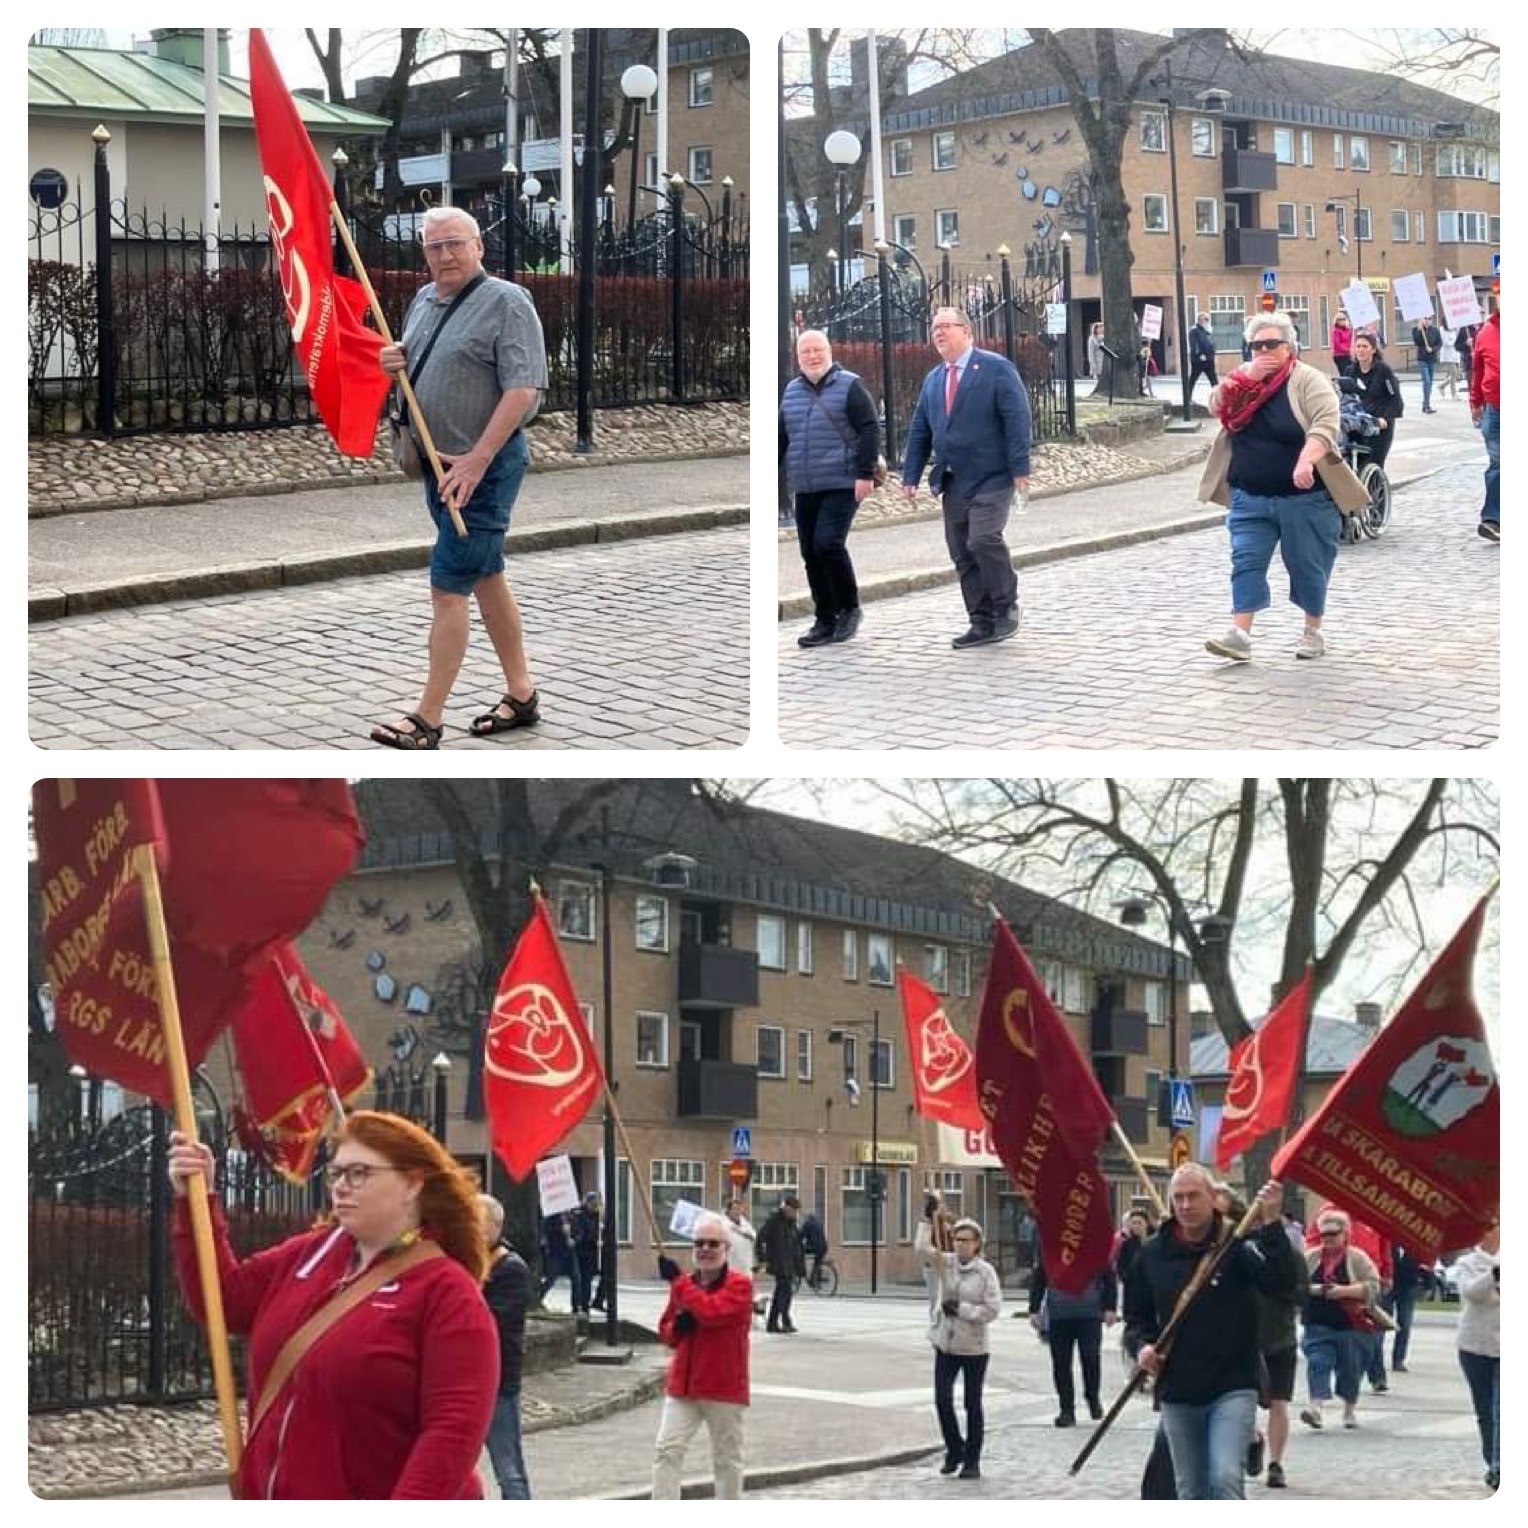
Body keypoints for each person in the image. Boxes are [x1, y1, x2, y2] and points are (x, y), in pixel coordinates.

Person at [167, 1111, 497, 1498]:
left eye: (359, 1173)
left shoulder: (447, 1292)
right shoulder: (309, 1252)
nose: (341, 1186)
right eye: (337, 1174)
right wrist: (196, 1201)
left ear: (412, 1184)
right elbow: (223, 1299)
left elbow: (452, 1432)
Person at [371, 206, 548, 749]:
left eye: (455, 244)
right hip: (437, 467)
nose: (445, 255)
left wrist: (476, 460)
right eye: (434, 246)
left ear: (479, 247)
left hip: (482, 473)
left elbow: (524, 391)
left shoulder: (507, 302)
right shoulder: (424, 300)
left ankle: (428, 717)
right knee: (487, 577)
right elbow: (425, 361)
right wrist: (394, 359)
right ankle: (522, 694)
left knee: (448, 588)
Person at [1199, 310, 1369, 664]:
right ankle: (1240, 634)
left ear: (1289, 347)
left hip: (1304, 498)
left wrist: (1307, 460)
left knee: (1308, 565)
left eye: (1271, 344)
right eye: (1256, 345)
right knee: (1245, 560)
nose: (1263, 351)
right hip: (1249, 493)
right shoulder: (1243, 379)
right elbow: (1215, 404)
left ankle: (1312, 630)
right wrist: (1240, 379)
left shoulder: (1309, 380)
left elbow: (1325, 425)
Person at [1123, 1164, 1298, 1500]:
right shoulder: (1152, 1253)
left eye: (1194, 1196)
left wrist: (1272, 1222)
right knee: (1190, 1488)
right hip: (1178, 1387)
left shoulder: (1235, 1245)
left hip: (1232, 1384)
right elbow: (1136, 1317)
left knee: (1224, 1476)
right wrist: (1143, 1347)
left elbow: (1282, 1285)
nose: (1186, 1205)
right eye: (1179, 1198)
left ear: (1213, 1199)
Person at [901, 306, 1032, 649]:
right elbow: (920, 430)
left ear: (967, 332)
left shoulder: (995, 369)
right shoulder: (935, 378)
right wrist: (911, 474)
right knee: (961, 551)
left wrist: (1020, 468)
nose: (939, 333)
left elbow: (1017, 418)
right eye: (934, 328)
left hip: (992, 475)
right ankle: (980, 619)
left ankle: (1006, 606)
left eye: (946, 326)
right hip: (953, 479)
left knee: (983, 539)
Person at [778, 329, 879, 647]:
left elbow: (869, 428)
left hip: (842, 480)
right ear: (797, 356)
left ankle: (849, 609)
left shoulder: (850, 385)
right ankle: (824, 617)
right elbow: (781, 436)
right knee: (809, 550)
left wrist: (864, 474)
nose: (812, 356)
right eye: (805, 351)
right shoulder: (792, 391)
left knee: (828, 543)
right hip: (806, 485)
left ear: (830, 351)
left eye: (818, 350)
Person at [651, 1212, 753, 1499]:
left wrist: (679, 1283)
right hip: (683, 1386)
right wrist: (677, 1328)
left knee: (726, 1459)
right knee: (666, 1450)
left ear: (726, 1249)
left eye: (713, 1244)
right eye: (699, 1243)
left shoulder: (740, 1285)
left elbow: (712, 1312)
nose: (705, 1249)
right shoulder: (685, 1285)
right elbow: (666, 1333)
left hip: (722, 1387)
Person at [916, 1210, 1002, 1479]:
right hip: (946, 1343)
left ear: (977, 1244)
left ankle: (972, 1460)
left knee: (972, 1403)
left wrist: (962, 1309)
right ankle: (954, 1448)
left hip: (974, 1347)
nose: (960, 1244)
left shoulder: (985, 1272)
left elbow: (993, 1309)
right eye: (956, 1239)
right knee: (942, 1400)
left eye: (966, 1240)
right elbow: (921, 1249)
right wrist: (928, 1219)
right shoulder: (947, 1262)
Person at [1298, 1206, 1381, 1432]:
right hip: (1317, 1322)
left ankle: (1349, 1409)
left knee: (1350, 1369)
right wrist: (1316, 1289)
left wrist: (1343, 1291)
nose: (1328, 1239)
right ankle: (1315, 1407)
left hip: (1351, 1325)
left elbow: (1374, 1286)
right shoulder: (1311, 1257)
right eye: (1324, 1234)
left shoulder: (1357, 1258)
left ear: (1345, 1234)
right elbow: (1296, 1285)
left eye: (1333, 1234)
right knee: (1318, 1362)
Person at [479, 1193, 534, 1499]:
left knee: (508, 1468)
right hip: (464, 1382)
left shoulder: (511, 1269)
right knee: (457, 1467)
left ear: (495, 1227)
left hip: (498, 1381)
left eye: (477, 1222)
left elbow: (491, 1321)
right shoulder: (465, 1262)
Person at [1028, 1248, 1117, 1427]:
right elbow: (1039, 1279)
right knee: (1061, 1363)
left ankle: (1092, 1397)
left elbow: (1109, 1279)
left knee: (1091, 1358)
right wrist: (1034, 1308)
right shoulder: (1051, 1248)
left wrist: (1110, 1307)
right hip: (1059, 1314)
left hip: (1090, 1313)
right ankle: (1066, 1409)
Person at [1454, 1223, 1500, 1490]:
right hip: (1475, 1346)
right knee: (1485, 1409)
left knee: (1502, 1409)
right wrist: (1494, 1274)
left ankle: (1500, 1465)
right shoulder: (1467, 1262)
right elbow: (1471, 1293)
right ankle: (1491, 1460)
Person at [1348, 332, 1403, 474]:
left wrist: (1384, 417)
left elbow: (1395, 399)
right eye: (1358, 346)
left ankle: (1376, 491)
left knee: (1374, 462)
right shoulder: (1350, 371)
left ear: (1373, 349)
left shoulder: (1383, 370)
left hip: (1380, 423)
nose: (1361, 350)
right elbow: (1346, 397)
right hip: (1359, 422)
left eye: (1365, 346)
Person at [1469, 293, 1500, 543]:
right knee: (1498, 462)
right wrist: (1475, 401)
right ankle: (1492, 519)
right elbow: (1477, 369)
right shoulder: (1486, 332)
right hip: (1495, 408)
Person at [758, 1195, 804, 1333]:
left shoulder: (791, 1223)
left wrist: (799, 1265)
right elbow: (760, 1239)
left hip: (788, 1263)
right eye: (793, 1210)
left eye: (795, 1211)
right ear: (786, 1207)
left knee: (781, 1293)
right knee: (785, 1292)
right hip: (778, 1263)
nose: (794, 1213)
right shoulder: (774, 1221)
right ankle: (784, 1320)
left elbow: (796, 1245)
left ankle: (774, 1323)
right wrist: (763, 1259)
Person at [1385, 1242, 1421, 1374]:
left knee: (1404, 1324)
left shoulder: (1415, 1245)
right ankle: (1374, 1360)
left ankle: (1398, 1360)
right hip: (1389, 1285)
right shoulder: (1388, 1242)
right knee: (1382, 1323)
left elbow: (1426, 1265)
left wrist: (1429, 1283)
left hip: (1408, 1287)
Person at [540, 1210, 582, 1311]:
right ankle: (538, 1297)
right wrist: (560, 1229)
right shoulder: (552, 1217)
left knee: (576, 1279)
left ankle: (576, 1306)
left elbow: (579, 1232)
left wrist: (574, 1240)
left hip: (571, 1254)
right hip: (557, 1253)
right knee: (550, 1279)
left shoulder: (573, 1217)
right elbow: (547, 1231)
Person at [571, 1190, 604, 1314]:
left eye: (597, 1204)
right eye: (594, 1204)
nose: (596, 1206)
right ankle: (580, 1305)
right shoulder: (580, 1215)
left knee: (588, 1280)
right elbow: (582, 1233)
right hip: (582, 1252)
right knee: (581, 1280)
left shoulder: (598, 1217)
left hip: (592, 1252)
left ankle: (588, 1304)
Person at [1412, 314, 1444, 413]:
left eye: (1429, 319)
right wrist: (1419, 330)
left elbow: (1439, 343)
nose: (1427, 321)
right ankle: (1426, 405)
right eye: (1425, 319)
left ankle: (1426, 403)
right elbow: (1416, 341)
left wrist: (1433, 349)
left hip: (1431, 359)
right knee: (1427, 381)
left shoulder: (1435, 330)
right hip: (1422, 359)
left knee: (1430, 383)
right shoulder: (1416, 330)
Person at [1187, 313, 1219, 397]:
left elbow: (1210, 343)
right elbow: (1194, 344)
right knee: (1193, 378)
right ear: (1200, 320)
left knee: (1213, 380)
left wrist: (1213, 351)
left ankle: (1218, 398)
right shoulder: (1194, 331)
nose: (1207, 322)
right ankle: (1188, 397)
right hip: (1199, 360)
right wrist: (1200, 354)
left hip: (1209, 359)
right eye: (1206, 319)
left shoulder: (1206, 331)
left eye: (1208, 319)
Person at [799, 1207, 829, 1289]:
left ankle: (802, 1271)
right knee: (817, 1263)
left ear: (807, 1217)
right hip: (824, 1247)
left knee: (800, 1253)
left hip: (814, 1247)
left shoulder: (807, 1223)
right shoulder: (819, 1222)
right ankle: (816, 1282)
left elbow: (800, 1236)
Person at [1438, 323, 1463, 399]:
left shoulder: (1455, 329)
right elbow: (1446, 342)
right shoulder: (1442, 329)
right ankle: (1454, 394)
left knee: (1457, 374)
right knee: (1454, 372)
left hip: (1455, 354)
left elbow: (1459, 337)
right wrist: (1455, 342)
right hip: (1447, 355)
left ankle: (1442, 386)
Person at [1330, 311, 1354, 376]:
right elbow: (1337, 344)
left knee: (1351, 370)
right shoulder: (1336, 330)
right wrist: (1346, 349)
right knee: (1344, 372)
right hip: (1339, 355)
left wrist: (1350, 331)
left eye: (1344, 319)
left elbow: (1349, 340)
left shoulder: (1347, 329)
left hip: (1347, 354)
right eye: (1340, 319)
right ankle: (1343, 385)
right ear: (1337, 321)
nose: (1342, 321)